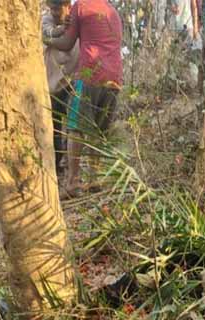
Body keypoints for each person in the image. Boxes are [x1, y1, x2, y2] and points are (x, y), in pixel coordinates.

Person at [44, 0, 123, 198]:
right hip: (115, 78)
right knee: (99, 130)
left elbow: (67, 44)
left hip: (90, 75)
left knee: (75, 129)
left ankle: (72, 183)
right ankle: (95, 179)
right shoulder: (112, 10)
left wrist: (44, 40)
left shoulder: (81, 7)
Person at [42, 0, 80, 176]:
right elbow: (47, 32)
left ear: (67, 6)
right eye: (52, 8)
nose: (54, 12)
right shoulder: (47, 20)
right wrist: (62, 29)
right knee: (54, 129)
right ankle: (57, 168)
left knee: (73, 128)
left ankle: (68, 165)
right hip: (52, 85)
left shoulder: (76, 20)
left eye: (57, 8)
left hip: (72, 82)